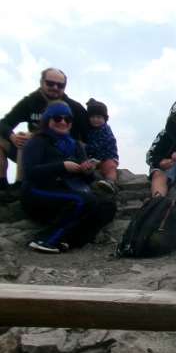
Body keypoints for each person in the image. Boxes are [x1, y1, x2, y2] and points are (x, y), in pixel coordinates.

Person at [19, 102, 116, 253]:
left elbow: (88, 180)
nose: (63, 122)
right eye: (57, 118)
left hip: (68, 189)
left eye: (67, 119)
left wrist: (87, 171)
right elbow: (31, 172)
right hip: (38, 192)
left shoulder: (76, 145)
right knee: (81, 200)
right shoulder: (38, 141)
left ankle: (69, 240)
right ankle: (45, 239)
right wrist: (62, 166)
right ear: (48, 120)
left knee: (107, 206)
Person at [1, 68, 87, 191]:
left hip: (62, 154)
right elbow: (4, 123)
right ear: (42, 82)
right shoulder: (30, 102)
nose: (55, 87)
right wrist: (12, 136)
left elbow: (89, 133)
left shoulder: (75, 108)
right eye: (50, 83)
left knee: (29, 138)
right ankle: (2, 185)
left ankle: (20, 184)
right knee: (13, 138)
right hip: (32, 153)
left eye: (60, 85)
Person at [82, 99, 119, 194]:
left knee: (109, 166)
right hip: (91, 158)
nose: (95, 120)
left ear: (105, 119)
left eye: (99, 117)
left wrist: (98, 160)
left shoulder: (105, 130)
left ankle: (110, 182)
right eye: (93, 117)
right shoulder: (86, 129)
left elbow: (105, 146)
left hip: (107, 156)